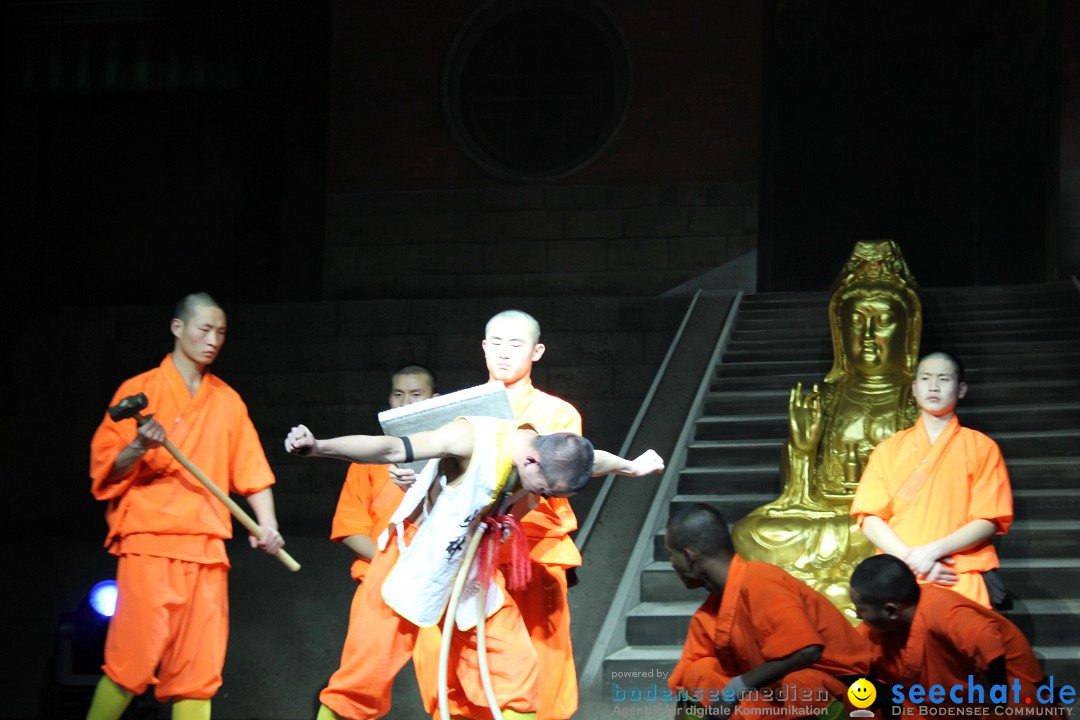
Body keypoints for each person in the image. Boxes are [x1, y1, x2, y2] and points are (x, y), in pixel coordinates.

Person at [285, 417, 664, 720]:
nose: (544, 498)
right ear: (532, 461)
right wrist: (319, 447)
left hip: (470, 569)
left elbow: (594, 460)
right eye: (546, 490)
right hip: (412, 559)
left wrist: (631, 467)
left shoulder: (551, 454)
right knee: (363, 677)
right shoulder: (471, 438)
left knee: (515, 665)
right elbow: (390, 447)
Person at [87, 293, 285, 720]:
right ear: (178, 329)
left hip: (207, 547)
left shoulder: (227, 400)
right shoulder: (140, 390)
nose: (213, 340)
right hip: (150, 541)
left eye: (221, 333)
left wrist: (267, 525)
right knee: (130, 662)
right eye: (204, 329)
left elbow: (252, 472)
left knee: (197, 670)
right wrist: (139, 445)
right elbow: (108, 468)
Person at [405, 309, 584, 720]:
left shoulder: (558, 413)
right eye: (496, 344)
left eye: (515, 344)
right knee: (459, 663)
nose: (504, 354)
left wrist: (499, 512)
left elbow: (547, 485)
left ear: (537, 351)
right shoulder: (461, 410)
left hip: (532, 552)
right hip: (469, 557)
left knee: (540, 664)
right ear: (484, 347)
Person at [665, 503, 872, 718]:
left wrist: (737, 688)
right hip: (774, 699)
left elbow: (807, 651)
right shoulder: (708, 614)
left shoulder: (759, 579)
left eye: (671, 555)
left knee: (802, 684)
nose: (672, 564)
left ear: (690, 557)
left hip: (843, 694)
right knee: (702, 672)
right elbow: (685, 689)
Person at [850, 351, 1013, 607]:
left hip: (956, 572)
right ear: (914, 388)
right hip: (900, 573)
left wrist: (933, 552)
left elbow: (988, 518)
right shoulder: (889, 449)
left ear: (961, 389)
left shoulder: (982, 447)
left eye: (944, 379)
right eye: (926, 378)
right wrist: (911, 559)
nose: (934, 386)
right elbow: (869, 517)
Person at [849, 555, 1048, 708]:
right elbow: (851, 655)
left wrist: (997, 697)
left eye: (861, 609)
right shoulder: (883, 627)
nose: (857, 615)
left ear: (891, 610)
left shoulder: (945, 614)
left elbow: (985, 637)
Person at [331, 365, 438, 584]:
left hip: (437, 581)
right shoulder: (369, 459)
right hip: (379, 579)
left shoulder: (452, 455)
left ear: (434, 399)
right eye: (398, 394)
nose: (406, 402)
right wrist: (394, 567)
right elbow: (350, 528)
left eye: (416, 395)